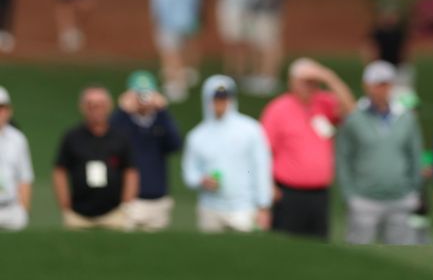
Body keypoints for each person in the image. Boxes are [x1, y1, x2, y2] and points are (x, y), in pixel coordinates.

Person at [260, 58, 356, 239]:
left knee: (319, 246)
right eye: (305, 82)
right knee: (286, 246)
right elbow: (263, 151)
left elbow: (351, 112)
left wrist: (329, 78)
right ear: (292, 82)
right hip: (288, 193)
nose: (310, 87)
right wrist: (268, 185)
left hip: (319, 194)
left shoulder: (324, 103)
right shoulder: (278, 109)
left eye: (314, 82)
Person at [336, 61, 423, 245]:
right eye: (376, 84)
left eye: (385, 84)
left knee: (401, 262)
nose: (380, 90)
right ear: (366, 86)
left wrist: (413, 190)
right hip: (364, 200)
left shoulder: (406, 117)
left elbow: (415, 155)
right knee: (358, 262)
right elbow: (344, 158)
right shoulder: (354, 118)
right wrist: (350, 194)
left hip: (400, 200)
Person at [182, 75, 272, 233]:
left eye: (225, 98)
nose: (221, 103)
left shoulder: (250, 129)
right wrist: (201, 180)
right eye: (216, 98)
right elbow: (189, 173)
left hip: (244, 208)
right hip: (210, 209)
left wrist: (263, 205)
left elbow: (261, 167)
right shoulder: (197, 136)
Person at [53, 86, 137, 230]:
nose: (96, 110)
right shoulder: (72, 137)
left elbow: (130, 171)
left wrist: (126, 204)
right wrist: (65, 205)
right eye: (91, 106)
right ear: (83, 108)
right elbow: (60, 170)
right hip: (78, 215)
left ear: (108, 107)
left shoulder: (120, 138)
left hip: (114, 214)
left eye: (100, 105)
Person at [109, 71, 182, 231]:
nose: (143, 98)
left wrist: (163, 112)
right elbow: (110, 144)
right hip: (129, 200)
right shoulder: (123, 121)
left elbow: (175, 145)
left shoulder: (160, 121)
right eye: (138, 94)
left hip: (158, 200)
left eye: (146, 93)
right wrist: (122, 112)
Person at [149, 0, 203, 103]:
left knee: (170, 53)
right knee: (181, 51)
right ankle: (182, 77)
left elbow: (157, 3)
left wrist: (156, 20)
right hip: (187, 22)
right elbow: (196, 2)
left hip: (168, 23)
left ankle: (176, 84)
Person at [244, 0, 293, 96]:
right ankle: (259, 75)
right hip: (257, 14)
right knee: (258, 45)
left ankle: (269, 77)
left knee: (269, 46)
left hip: (270, 14)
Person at [365, 0, 414, 98]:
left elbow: (406, 49)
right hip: (383, 67)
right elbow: (371, 48)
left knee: (404, 93)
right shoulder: (377, 32)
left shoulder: (400, 32)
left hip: (399, 67)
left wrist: (405, 61)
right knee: (384, 94)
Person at [0, 86, 33, 230]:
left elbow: (25, 177)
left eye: (1, 108)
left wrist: (23, 210)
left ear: (9, 111)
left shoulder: (18, 139)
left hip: (11, 210)